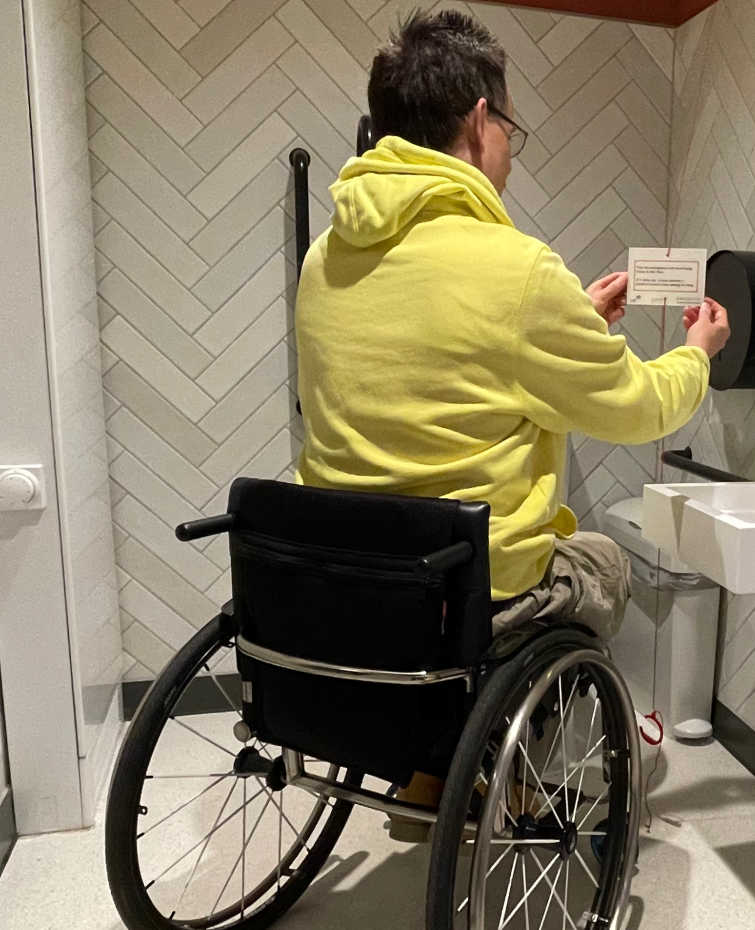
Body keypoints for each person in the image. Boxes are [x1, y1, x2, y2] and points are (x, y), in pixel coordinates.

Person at [294, 10, 729, 834]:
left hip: (340, 579)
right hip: (467, 597)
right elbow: (638, 407)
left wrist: (575, 323)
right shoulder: (517, 269)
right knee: (602, 561)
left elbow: (439, 378)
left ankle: (430, 772)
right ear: (482, 122)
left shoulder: (326, 258)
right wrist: (698, 354)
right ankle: (504, 765)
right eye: (509, 132)